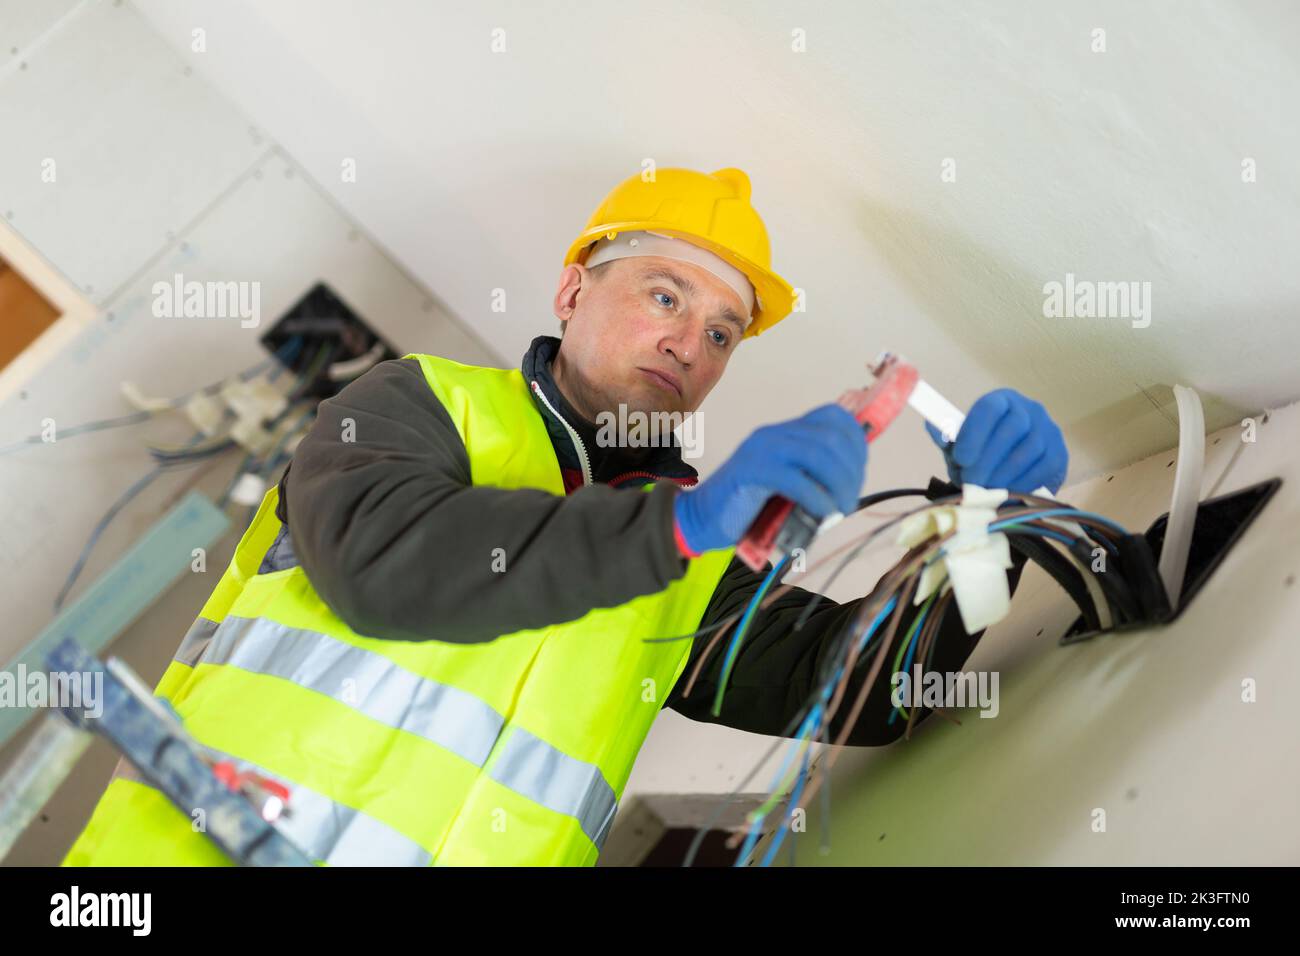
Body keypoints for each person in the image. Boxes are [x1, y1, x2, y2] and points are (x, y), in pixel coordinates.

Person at [63, 166, 1067, 866]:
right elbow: (387, 565)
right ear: (571, 289)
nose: (690, 342)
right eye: (664, 295)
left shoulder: (702, 544)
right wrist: (683, 523)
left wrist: (983, 523)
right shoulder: (409, 403)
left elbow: (864, 689)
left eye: (721, 331)